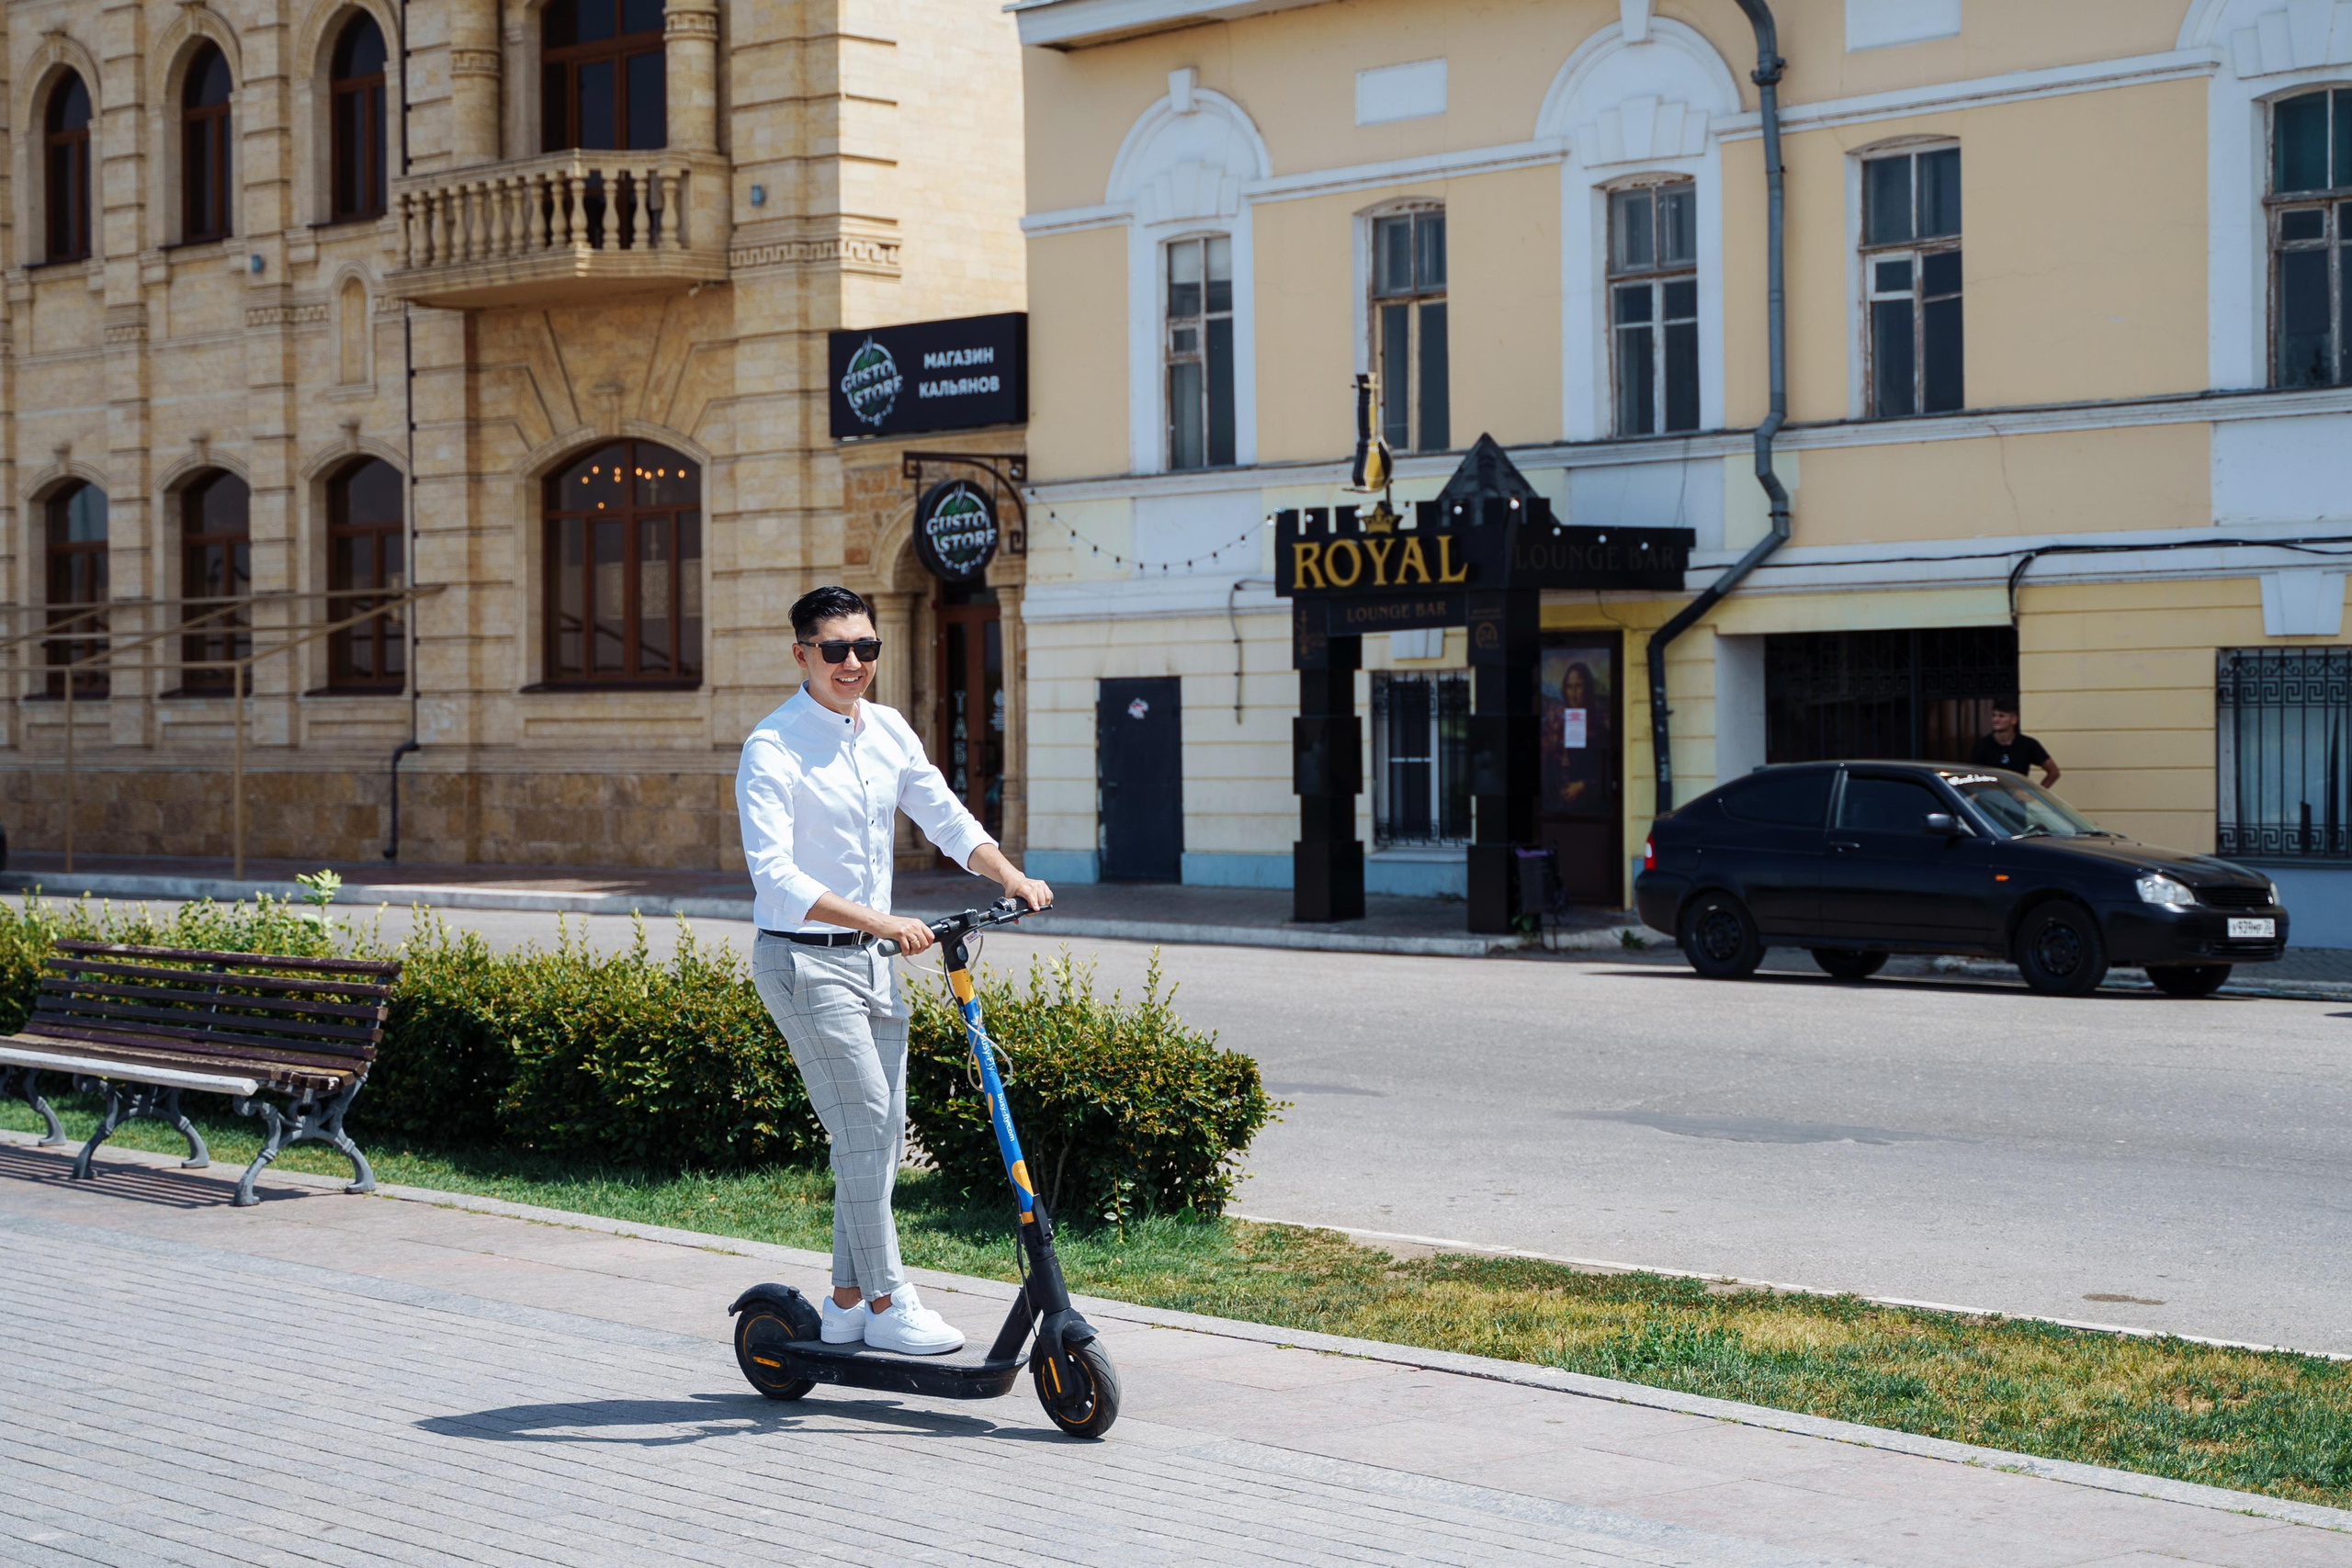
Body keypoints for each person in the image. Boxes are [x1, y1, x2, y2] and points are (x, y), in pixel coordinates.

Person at [736, 585, 1054, 1357]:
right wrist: (881, 920)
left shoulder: (887, 731)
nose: (853, 663)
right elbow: (775, 876)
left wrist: (1009, 875)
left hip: (875, 967)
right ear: (802, 653)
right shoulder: (772, 746)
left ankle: (846, 1302)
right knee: (867, 1125)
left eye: (866, 648)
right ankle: (889, 1299)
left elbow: (943, 815)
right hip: (804, 962)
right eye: (835, 649)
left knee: (876, 1134)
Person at [1968, 696, 2061, 787]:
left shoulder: (2028, 744)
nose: (1996, 719)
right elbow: (1972, 776)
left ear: (2014, 720)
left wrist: (2034, 793)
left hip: (2016, 796)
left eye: (2001, 716)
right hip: (1990, 795)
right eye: (1994, 715)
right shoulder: (1982, 745)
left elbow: (2053, 772)